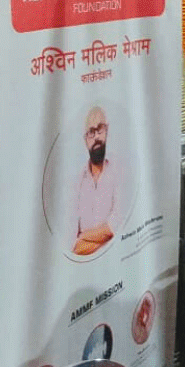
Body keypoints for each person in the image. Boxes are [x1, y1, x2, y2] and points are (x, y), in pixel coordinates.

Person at [73, 106, 121, 256]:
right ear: (85, 139)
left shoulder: (119, 172)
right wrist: (106, 238)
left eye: (100, 129)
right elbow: (73, 246)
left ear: (107, 130)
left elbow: (117, 228)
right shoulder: (77, 183)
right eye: (91, 132)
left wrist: (82, 237)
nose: (96, 138)